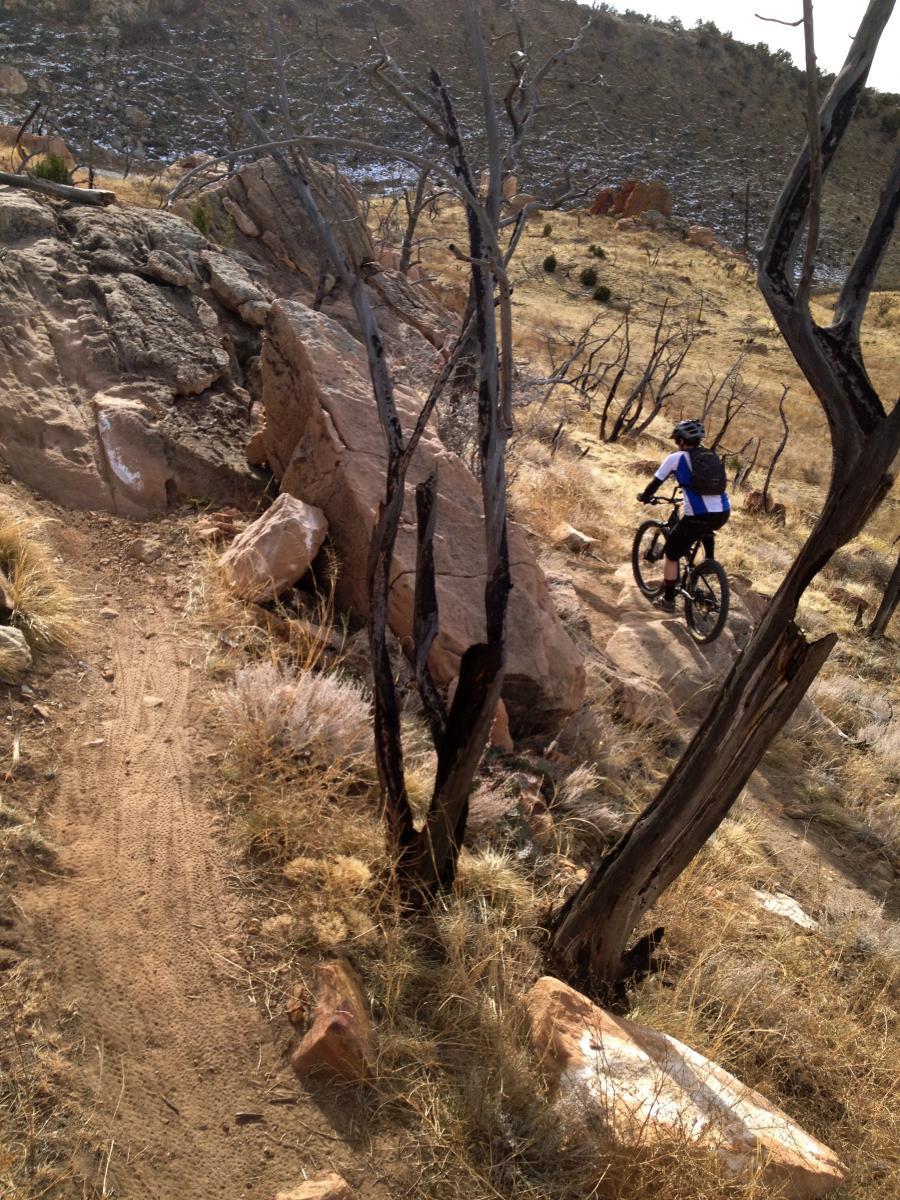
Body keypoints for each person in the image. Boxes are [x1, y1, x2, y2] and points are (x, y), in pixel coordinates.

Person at [637, 419, 730, 612]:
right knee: (704, 528)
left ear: (681, 440)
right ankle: (708, 565)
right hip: (722, 512)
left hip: (698, 515)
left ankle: (669, 600)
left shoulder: (676, 458)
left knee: (671, 555)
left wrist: (645, 496)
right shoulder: (711, 455)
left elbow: (655, 483)